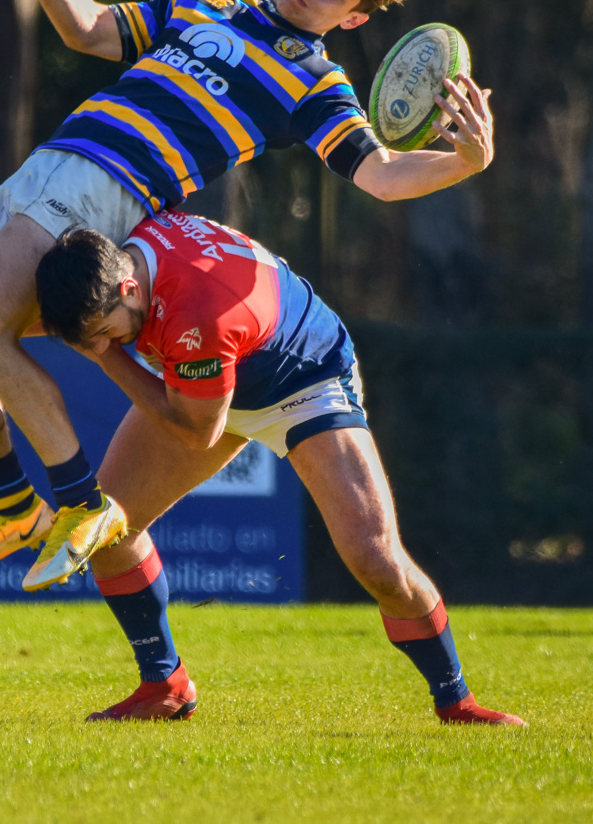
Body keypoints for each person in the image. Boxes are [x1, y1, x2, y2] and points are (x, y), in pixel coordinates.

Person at [0, 0, 496, 594]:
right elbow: (88, 30)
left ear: (350, 19)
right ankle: (9, 505)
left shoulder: (315, 83)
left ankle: (78, 502)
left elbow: (379, 174)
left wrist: (465, 162)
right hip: (53, 159)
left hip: (114, 184)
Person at [33, 214, 525, 726]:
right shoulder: (120, 259)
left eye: (104, 332)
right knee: (108, 529)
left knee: (375, 558)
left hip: (302, 380)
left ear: (129, 287)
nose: (104, 343)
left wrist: (104, 358)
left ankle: (457, 701)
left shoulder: (196, 310)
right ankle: (164, 685)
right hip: (212, 378)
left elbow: (195, 431)